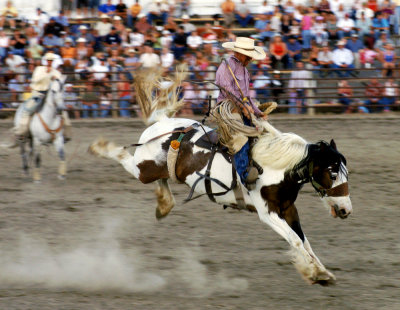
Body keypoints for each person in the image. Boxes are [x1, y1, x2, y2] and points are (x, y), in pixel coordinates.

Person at [215, 37, 267, 188]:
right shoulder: (226, 67)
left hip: (242, 107)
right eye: (247, 54)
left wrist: (258, 112)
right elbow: (227, 90)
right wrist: (243, 107)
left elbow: (247, 97)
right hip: (227, 107)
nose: (250, 58)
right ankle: (244, 176)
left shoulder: (244, 71)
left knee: (261, 130)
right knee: (241, 136)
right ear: (239, 53)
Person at [13, 53, 71, 140]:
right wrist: (47, 75)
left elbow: (59, 84)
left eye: (51, 60)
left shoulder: (56, 72)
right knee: (28, 110)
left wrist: (57, 80)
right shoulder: (39, 69)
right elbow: (35, 80)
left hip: (50, 95)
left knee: (63, 112)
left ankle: (65, 134)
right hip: (38, 94)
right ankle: (22, 131)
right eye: (48, 60)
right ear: (45, 61)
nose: (49, 62)